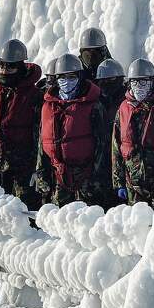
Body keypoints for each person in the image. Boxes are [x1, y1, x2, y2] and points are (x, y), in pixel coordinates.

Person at [0, 39, 42, 208]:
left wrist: (38, 168)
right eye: (2, 65)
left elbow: (40, 134)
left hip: (24, 169)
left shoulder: (34, 96)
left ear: (21, 67)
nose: (5, 70)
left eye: (10, 66)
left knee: (24, 215)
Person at [35, 54, 106, 207]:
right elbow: (43, 141)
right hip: (58, 177)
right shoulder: (48, 106)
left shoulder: (93, 105)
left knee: (85, 222)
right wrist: (41, 174)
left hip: (86, 177)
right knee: (60, 221)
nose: (66, 82)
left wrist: (95, 175)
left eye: (71, 77)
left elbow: (102, 143)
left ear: (79, 77)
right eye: (62, 77)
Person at [112, 58, 154, 204]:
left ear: (152, 81)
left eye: (143, 82)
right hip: (133, 184)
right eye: (135, 82)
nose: (139, 87)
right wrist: (118, 181)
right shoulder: (124, 108)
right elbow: (117, 146)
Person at [95, 58, 127, 209]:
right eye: (102, 81)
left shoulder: (127, 103)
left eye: (111, 80)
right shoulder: (95, 102)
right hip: (100, 166)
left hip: (123, 166)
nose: (106, 84)